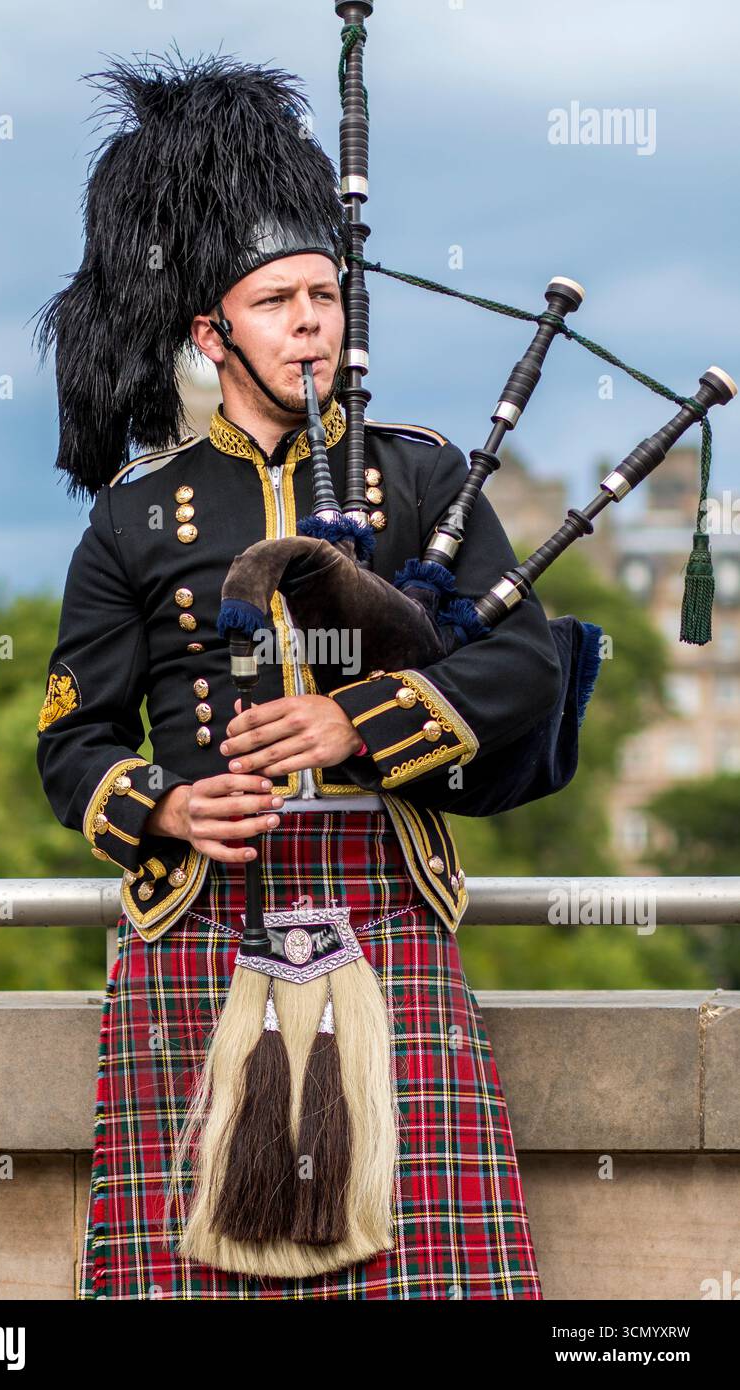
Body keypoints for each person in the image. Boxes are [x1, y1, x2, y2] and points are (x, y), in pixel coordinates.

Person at [34, 52, 560, 1299]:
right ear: (211, 332)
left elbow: (524, 669)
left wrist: (353, 722)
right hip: (200, 917)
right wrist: (162, 803)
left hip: (385, 896)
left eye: (325, 294)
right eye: (277, 300)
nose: (312, 321)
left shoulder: (426, 480)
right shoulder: (134, 520)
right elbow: (72, 743)